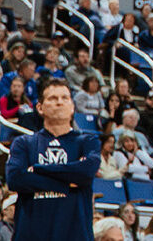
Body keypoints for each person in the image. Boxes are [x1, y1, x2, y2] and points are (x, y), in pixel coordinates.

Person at [6, 80, 99, 241]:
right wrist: (67, 182)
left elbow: (86, 172)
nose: (59, 102)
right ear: (40, 108)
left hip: (75, 234)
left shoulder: (88, 141)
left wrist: (39, 169)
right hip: (31, 234)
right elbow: (15, 179)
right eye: (53, 98)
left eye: (65, 98)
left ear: (72, 107)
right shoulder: (24, 143)